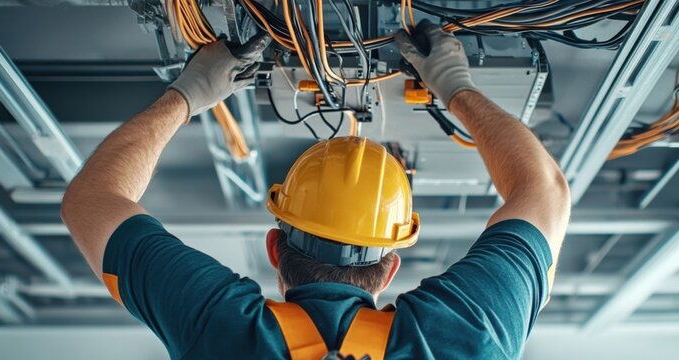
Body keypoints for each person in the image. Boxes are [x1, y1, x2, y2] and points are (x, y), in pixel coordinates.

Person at [61, 20, 570, 360]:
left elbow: (92, 201)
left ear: (274, 247)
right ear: (388, 265)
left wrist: (188, 94)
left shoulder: (457, 336)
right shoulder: (222, 332)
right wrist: (458, 87)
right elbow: (544, 191)